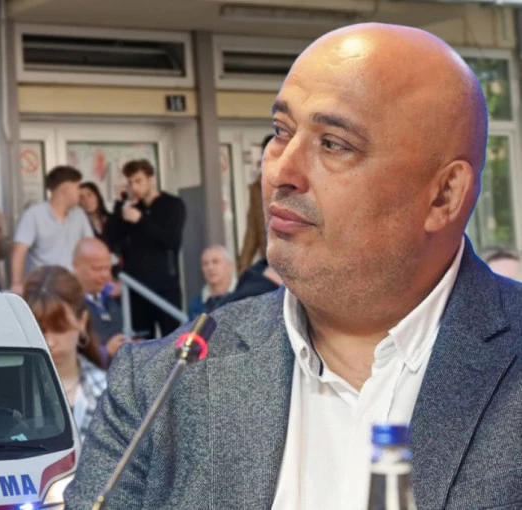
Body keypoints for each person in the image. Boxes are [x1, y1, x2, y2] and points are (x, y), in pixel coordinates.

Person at [65, 23, 522, 510]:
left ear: (445, 194)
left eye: (334, 144)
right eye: (282, 132)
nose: (281, 171)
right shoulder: (159, 386)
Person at [23, 265, 107, 439]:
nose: (50, 342)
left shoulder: (107, 392)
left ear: (82, 321)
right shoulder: (11, 394)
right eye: (41, 330)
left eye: (60, 328)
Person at [105, 159, 186, 338]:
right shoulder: (131, 208)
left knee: (172, 339)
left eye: (138, 181)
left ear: (151, 179)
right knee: (142, 341)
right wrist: (118, 204)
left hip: (165, 287)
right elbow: (111, 239)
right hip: (137, 288)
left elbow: (171, 241)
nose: (134, 187)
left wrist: (141, 220)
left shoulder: (172, 204)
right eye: (130, 183)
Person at [9, 166, 93, 294]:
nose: (80, 192)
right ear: (65, 189)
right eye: (77, 187)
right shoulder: (34, 214)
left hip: (72, 286)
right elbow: (19, 251)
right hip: (42, 288)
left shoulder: (79, 215)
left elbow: (90, 246)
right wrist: (16, 284)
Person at [72, 238, 130, 364]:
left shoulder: (112, 298)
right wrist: (105, 352)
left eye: (107, 268)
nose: (104, 275)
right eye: (97, 269)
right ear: (76, 266)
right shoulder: (69, 304)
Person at [237, 135, 273, 274]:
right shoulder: (258, 188)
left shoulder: (299, 183)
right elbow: (252, 229)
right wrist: (243, 265)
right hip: (269, 261)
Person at [187, 245, 236, 319]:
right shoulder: (196, 305)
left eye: (215, 262)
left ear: (229, 266)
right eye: (205, 264)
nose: (210, 267)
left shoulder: (246, 296)